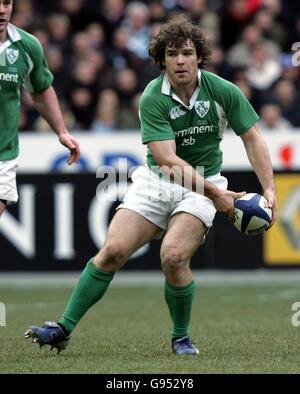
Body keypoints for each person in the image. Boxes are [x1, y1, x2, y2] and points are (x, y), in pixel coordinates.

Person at [25, 18, 277, 356]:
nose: (181, 60)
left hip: (202, 182)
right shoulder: (152, 97)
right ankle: (63, 328)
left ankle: (181, 338)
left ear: (199, 56)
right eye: (172, 54)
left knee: (173, 257)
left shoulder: (222, 90)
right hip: (157, 180)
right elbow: (167, 161)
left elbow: (253, 139)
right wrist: (217, 195)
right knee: (112, 251)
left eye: (188, 53)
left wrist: (270, 190)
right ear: (162, 60)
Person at [0, 0, 80, 219]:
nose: (2, 10)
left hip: (2, 155)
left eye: (6, 3)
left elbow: (41, 90)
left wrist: (61, 131)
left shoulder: (27, 46)